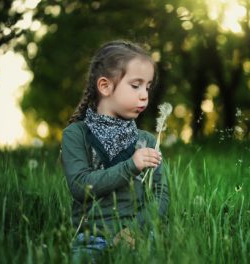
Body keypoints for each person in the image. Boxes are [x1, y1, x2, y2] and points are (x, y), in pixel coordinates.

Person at [61, 40, 169, 261]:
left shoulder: (147, 140)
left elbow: (160, 195)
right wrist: (131, 165)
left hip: (137, 236)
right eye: (135, 85)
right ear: (105, 86)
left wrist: (136, 230)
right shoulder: (76, 134)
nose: (144, 95)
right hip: (91, 238)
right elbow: (80, 187)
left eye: (147, 87)